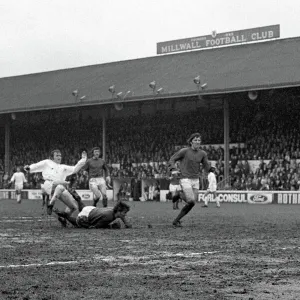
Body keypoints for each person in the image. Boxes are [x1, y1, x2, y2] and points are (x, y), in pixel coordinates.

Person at [24, 149, 87, 216]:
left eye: (60, 155)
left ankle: (63, 218)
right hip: (49, 184)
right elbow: (36, 166)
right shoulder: (47, 162)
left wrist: (83, 159)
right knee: (61, 185)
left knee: (74, 207)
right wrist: (29, 168)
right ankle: (51, 203)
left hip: (60, 188)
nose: (59, 157)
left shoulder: (63, 167)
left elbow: (75, 169)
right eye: (57, 155)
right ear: (52, 157)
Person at [168, 132, 210, 227]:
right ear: (191, 142)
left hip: (196, 180)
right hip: (185, 178)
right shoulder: (184, 151)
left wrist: (210, 169)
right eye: (195, 140)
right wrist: (173, 169)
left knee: (192, 203)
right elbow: (172, 159)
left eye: (199, 140)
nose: (197, 141)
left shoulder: (203, 153)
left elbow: (206, 165)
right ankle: (179, 194)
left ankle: (176, 220)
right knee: (190, 200)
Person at [54, 201, 132, 229]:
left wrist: (126, 223)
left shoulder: (113, 210)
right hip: (85, 216)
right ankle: (66, 216)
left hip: (90, 209)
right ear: (119, 211)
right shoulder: (109, 217)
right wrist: (111, 227)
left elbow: (123, 218)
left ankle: (79, 200)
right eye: (124, 212)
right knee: (83, 225)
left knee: (89, 219)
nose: (125, 215)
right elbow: (97, 226)